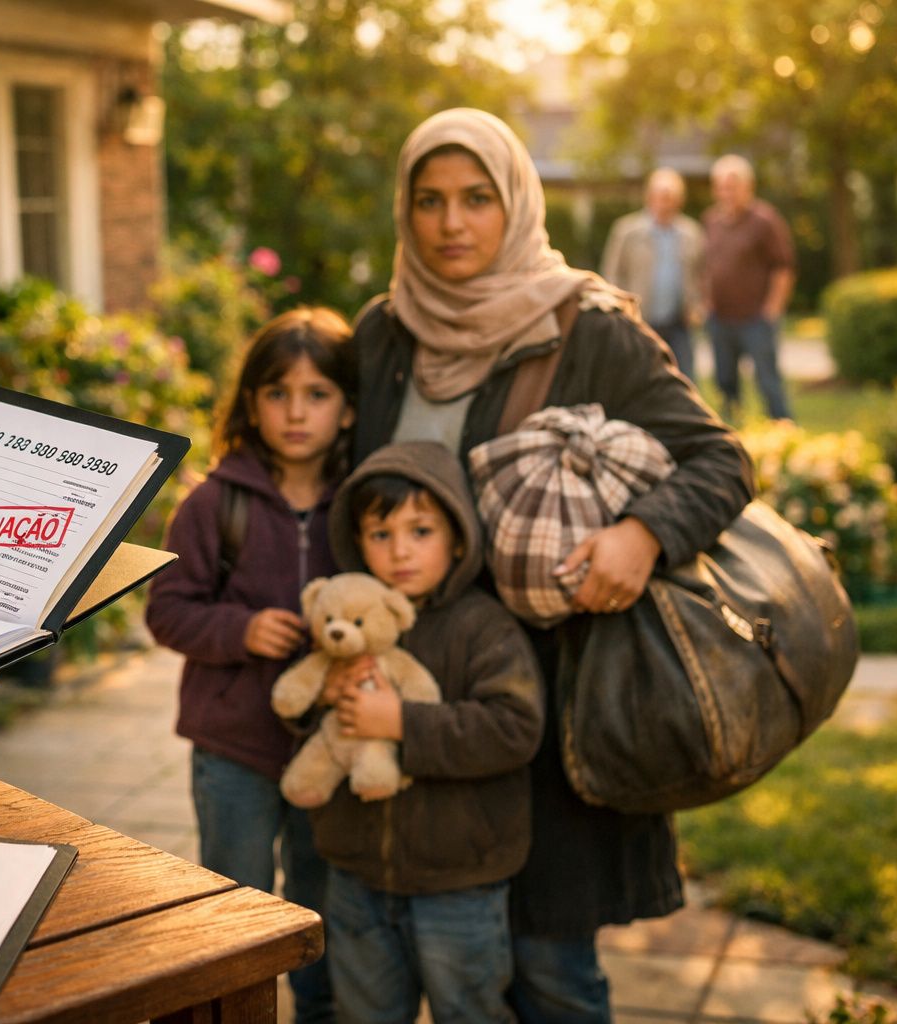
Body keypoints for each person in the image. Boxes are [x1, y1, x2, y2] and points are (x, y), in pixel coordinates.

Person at [343, 109, 753, 1022]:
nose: (452, 224)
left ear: (516, 202)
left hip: (551, 721)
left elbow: (722, 460)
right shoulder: (384, 336)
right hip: (414, 713)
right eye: (430, 201)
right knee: (411, 975)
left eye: (477, 199)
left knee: (549, 976)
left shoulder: (590, 330)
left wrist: (643, 534)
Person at [145, 306, 356, 1024]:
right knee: (235, 906)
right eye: (277, 393)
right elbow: (166, 611)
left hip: (331, 750)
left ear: (349, 406)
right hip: (232, 750)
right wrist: (240, 630)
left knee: (320, 904)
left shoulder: (362, 506)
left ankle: (320, 1012)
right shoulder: (213, 504)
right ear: (252, 403)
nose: (297, 412)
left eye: (317, 393)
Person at [312, 441, 542, 1024]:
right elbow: (314, 725)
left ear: (458, 538)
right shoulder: (349, 624)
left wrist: (402, 724)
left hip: (459, 879)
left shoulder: (482, 626)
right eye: (380, 534)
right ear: (356, 541)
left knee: (469, 1010)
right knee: (364, 1012)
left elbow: (515, 727)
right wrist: (324, 704)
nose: (400, 552)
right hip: (358, 870)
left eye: (421, 531)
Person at [702, 154, 797, 422]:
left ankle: (782, 431)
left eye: (732, 186)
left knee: (767, 380)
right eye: (721, 186)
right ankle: (732, 434)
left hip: (756, 318)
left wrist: (772, 309)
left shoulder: (765, 220)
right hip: (720, 319)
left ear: (748, 186)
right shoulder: (711, 220)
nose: (726, 192)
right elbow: (706, 266)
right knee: (725, 381)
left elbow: (784, 267)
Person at [600, 168, 705, 381]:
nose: (665, 204)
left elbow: (702, 274)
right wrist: (619, 310)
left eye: (670, 198)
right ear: (649, 197)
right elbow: (612, 274)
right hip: (640, 320)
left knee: (684, 379)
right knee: (638, 377)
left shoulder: (691, 233)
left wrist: (697, 306)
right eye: (661, 197)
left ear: (679, 200)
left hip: (679, 324)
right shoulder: (627, 231)